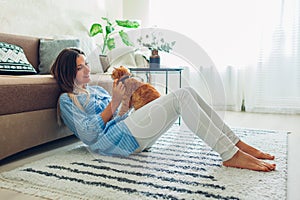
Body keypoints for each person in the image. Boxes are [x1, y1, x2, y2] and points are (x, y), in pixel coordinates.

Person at [51, 48, 276, 172]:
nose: (87, 69)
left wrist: (125, 104)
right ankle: (231, 155)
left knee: (187, 93)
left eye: (85, 64)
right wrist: (114, 104)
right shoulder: (66, 100)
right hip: (115, 145)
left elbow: (116, 119)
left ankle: (236, 144)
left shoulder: (97, 92)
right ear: (67, 72)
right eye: (79, 67)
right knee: (182, 96)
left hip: (128, 137)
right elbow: (90, 136)